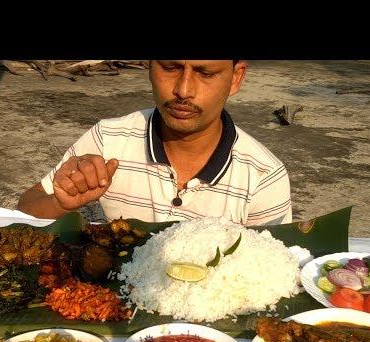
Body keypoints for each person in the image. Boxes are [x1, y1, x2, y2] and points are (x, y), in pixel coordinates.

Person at [18, 60, 292, 226]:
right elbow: (26, 208)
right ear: (150, 67)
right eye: (171, 67)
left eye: (205, 73)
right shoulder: (108, 139)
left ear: (235, 78)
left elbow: (273, 267)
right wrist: (61, 204)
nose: (183, 90)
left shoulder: (263, 176)